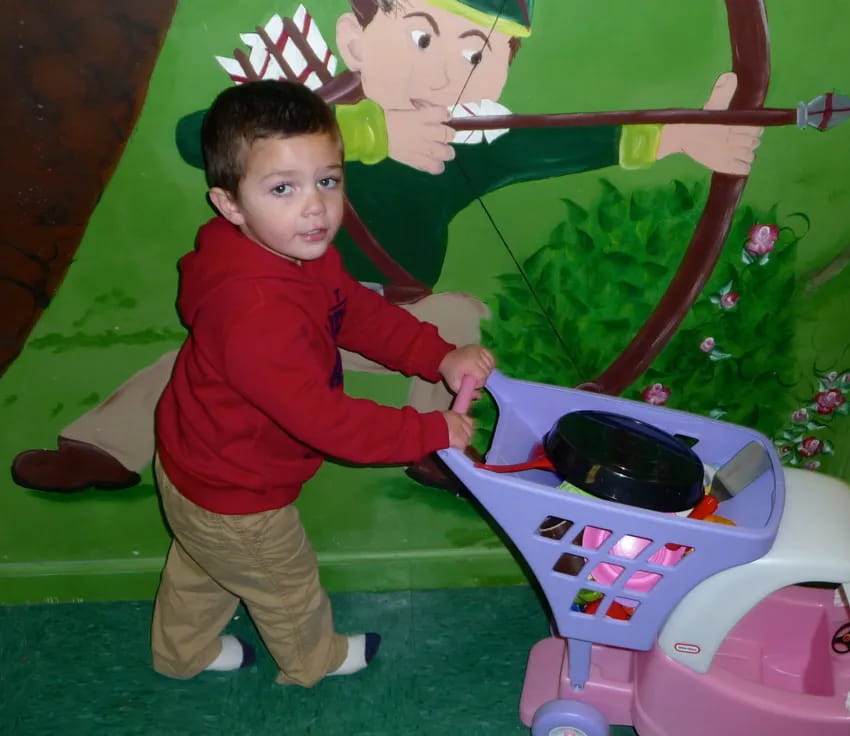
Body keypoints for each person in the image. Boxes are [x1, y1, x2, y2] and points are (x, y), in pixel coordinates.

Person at [11, 0, 761, 495]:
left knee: (457, 315)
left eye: (477, 50)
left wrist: (683, 135)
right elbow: (195, 135)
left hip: (384, 311)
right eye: (424, 35)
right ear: (354, 38)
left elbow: (559, 146)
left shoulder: (472, 137)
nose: (443, 68)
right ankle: (103, 447)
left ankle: (431, 448)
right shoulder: (321, 117)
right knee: (204, 355)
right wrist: (369, 133)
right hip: (280, 300)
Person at [149, 79, 495, 684]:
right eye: (283, 188)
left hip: (201, 466)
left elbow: (356, 313)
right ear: (230, 205)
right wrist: (429, 431)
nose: (315, 207)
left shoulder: (292, 253)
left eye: (327, 181)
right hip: (240, 488)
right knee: (287, 587)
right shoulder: (255, 313)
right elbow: (327, 420)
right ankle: (314, 660)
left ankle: (181, 653)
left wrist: (437, 357)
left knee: (202, 566)